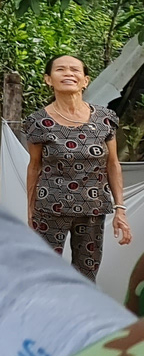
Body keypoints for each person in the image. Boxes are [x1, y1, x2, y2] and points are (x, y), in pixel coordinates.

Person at [22, 52, 129, 281]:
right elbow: (34, 167)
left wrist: (120, 208)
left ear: (85, 80)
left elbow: (112, 164)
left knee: (86, 274)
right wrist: (30, 209)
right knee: (44, 271)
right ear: (48, 79)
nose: (68, 73)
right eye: (60, 69)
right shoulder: (38, 122)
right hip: (50, 209)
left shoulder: (105, 119)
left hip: (93, 210)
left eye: (74, 69)